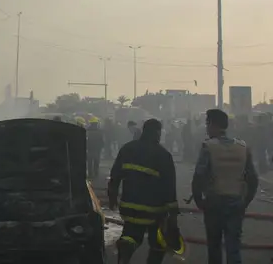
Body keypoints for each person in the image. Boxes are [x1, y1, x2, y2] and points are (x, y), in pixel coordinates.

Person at [191, 109, 258, 264]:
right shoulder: (242, 147)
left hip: (214, 201)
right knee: (233, 246)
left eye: (207, 123)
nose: (206, 127)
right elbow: (253, 178)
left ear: (212, 124)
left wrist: (198, 199)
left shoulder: (208, 147)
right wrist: (245, 200)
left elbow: (199, 176)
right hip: (236, 202)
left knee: (214, 245)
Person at [108, 119, 178, 264]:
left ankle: (124, 256)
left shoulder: (127, 149)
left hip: (128, 207)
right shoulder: (163, 155)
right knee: (158, 244)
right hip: (154, 211)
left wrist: (112, 196)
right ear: (158, 133)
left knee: (130, 236)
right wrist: (172, 216)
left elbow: (115, 175)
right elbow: (169, 187)